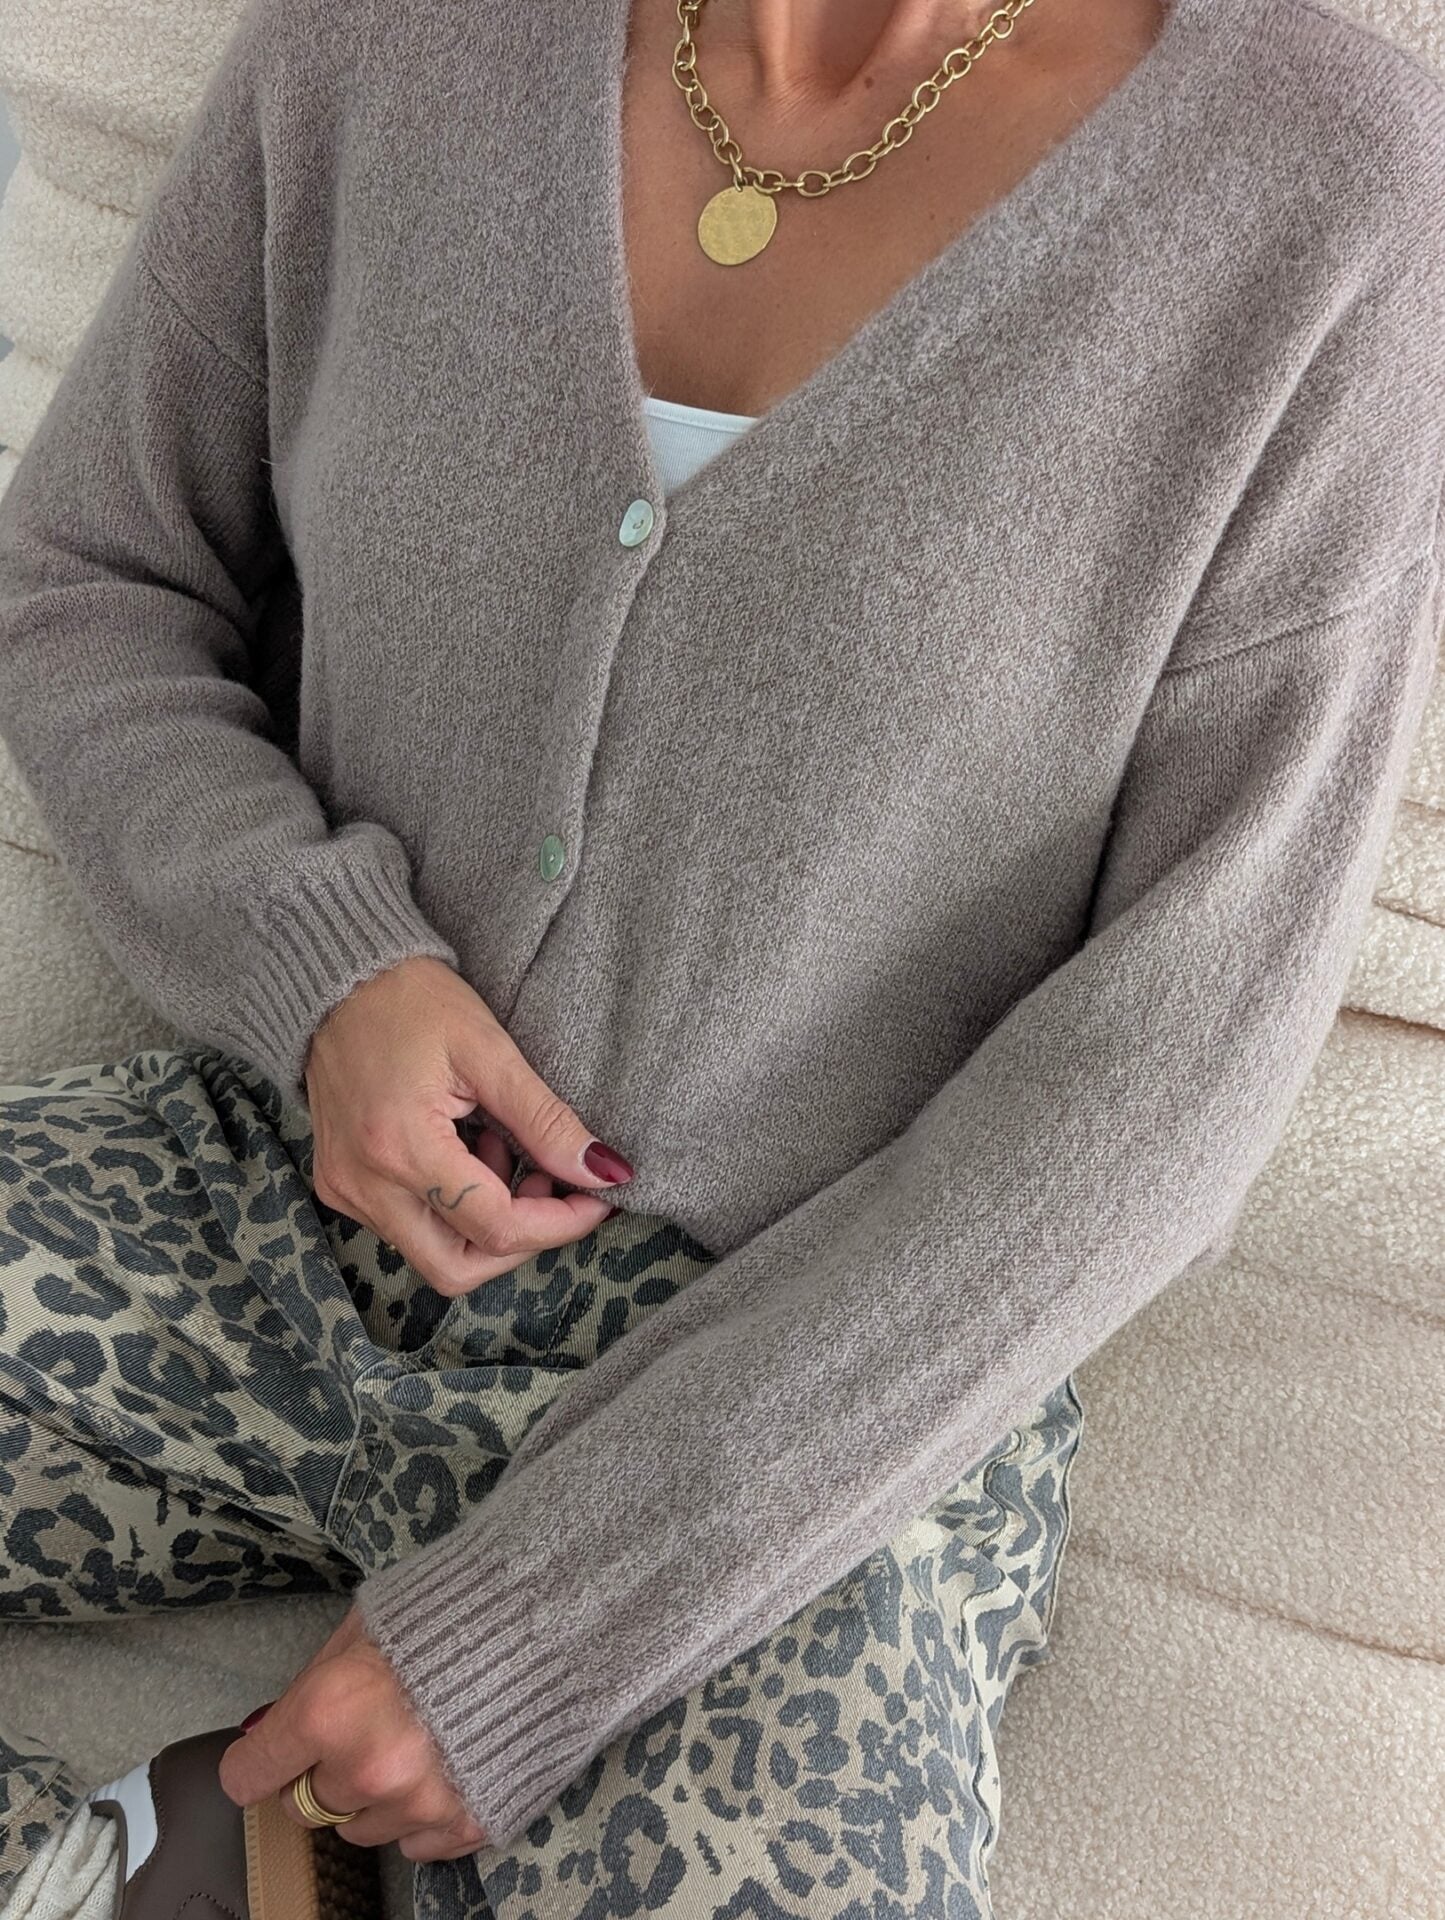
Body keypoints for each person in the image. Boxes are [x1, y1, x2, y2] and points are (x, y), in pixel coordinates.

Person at [0, 0, 1442, 1913]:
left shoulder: (1324, 185)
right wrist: (325, 968)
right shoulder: (382, 38)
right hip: (255, 1202)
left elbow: (1183, 1050)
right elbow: (87, 577)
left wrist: (540, 1626)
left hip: (814, 1392)